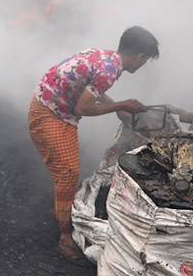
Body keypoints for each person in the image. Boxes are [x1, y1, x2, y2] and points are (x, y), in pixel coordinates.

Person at [28, 26, 158, 263]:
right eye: (145, 60)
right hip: (51, 114)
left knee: (66, 175)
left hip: (48, 105)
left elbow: (90, 90)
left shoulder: (103, 56)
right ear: (139, 57)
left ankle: (61, 212)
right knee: (68, 173)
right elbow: (83, 108)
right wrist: (121, 105)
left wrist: (118, 107)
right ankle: (65, 238)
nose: (142, 65)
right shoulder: (109, 70)